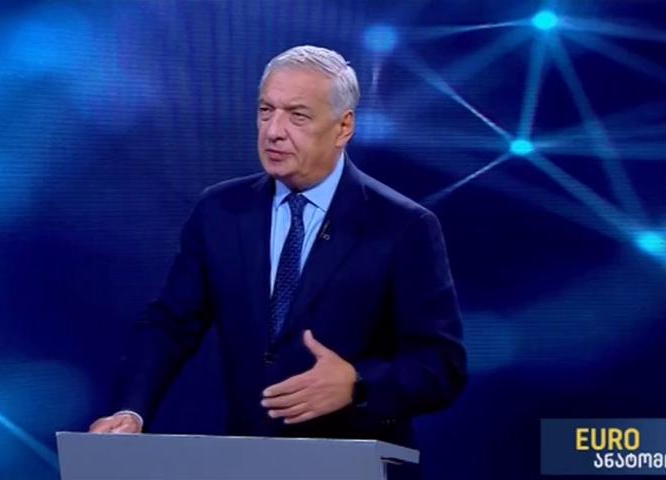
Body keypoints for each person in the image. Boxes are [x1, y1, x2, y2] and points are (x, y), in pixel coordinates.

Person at [90, 45, 466, 455]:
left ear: (344, 127)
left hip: (354, 464)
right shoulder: (220, 211)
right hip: (249, 460)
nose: (273, 131)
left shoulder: (403, 226)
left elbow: (441, 364)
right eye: (266, 110)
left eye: (297, 115)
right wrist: (131, 410)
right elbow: (170, 325)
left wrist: (359, 384)